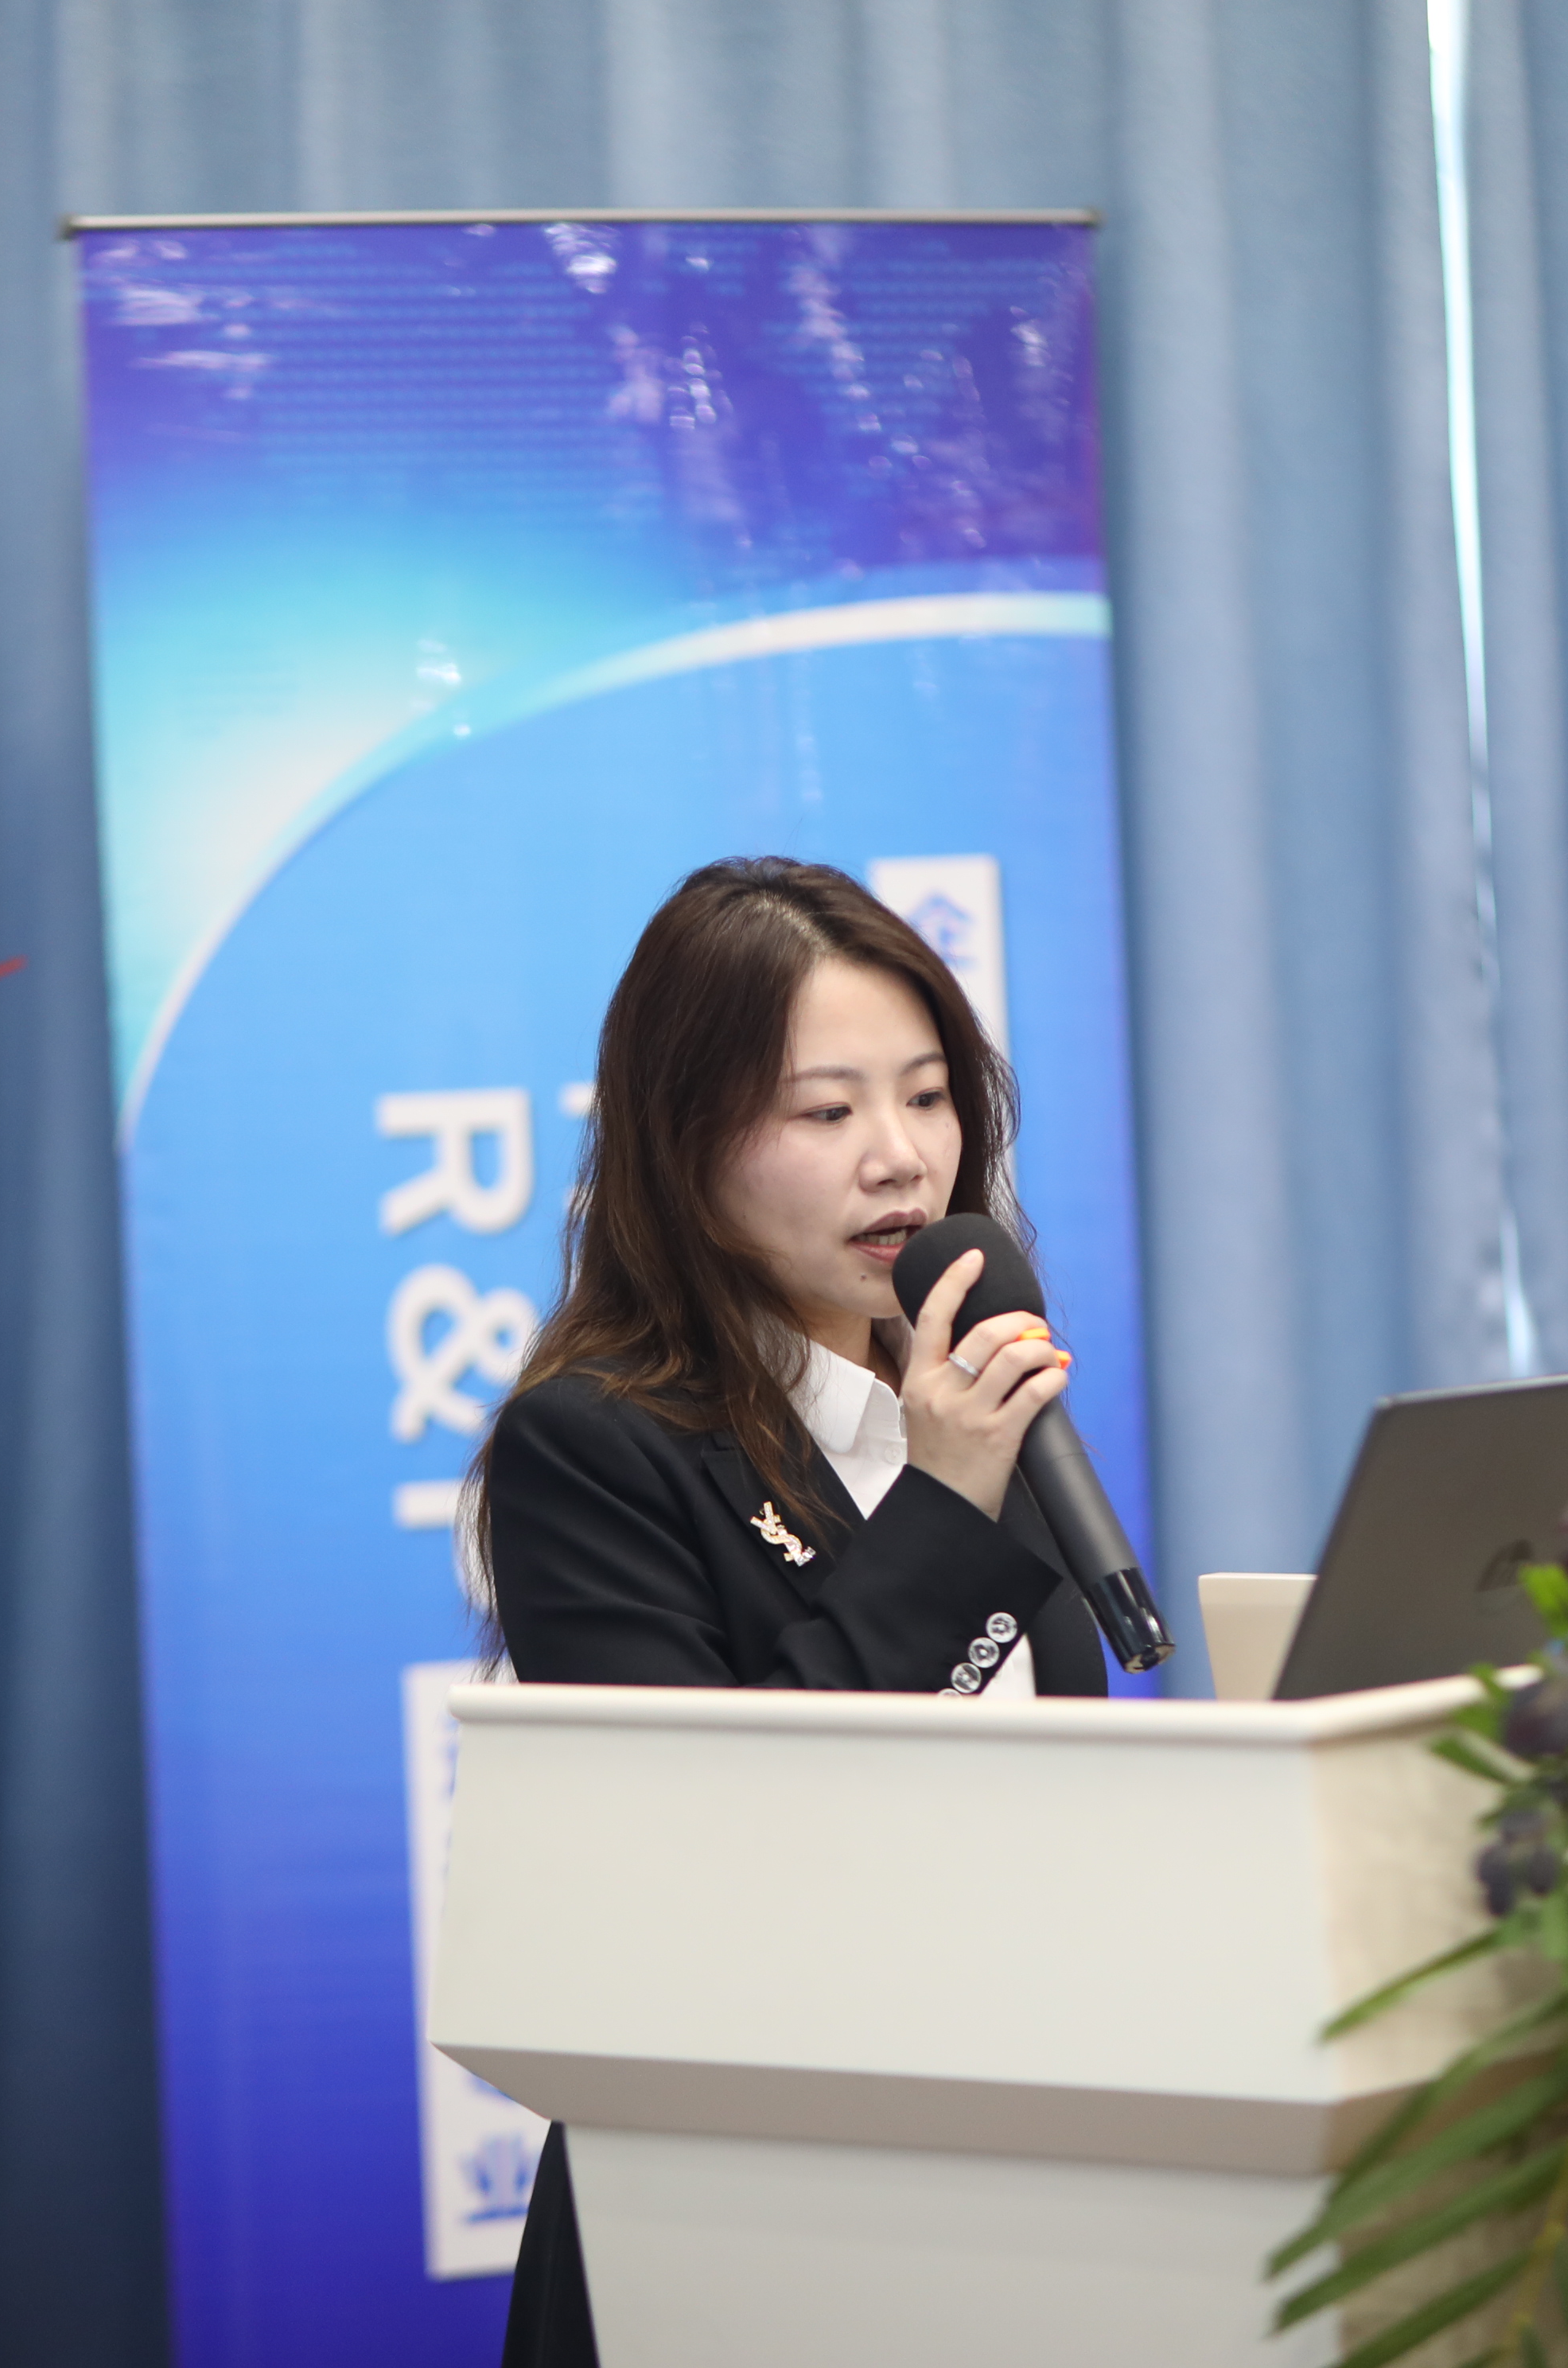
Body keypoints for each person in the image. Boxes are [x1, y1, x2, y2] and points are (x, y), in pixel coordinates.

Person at [470, 857, 1107, 2368]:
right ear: (683, 1142)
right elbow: (718, 1843)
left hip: (1019, 2172)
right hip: (737, 2210)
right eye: (826, 1114)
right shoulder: (596, 1443)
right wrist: (943, 1506)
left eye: (929, 1097)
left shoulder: (967, 1397)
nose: (902, 1158)